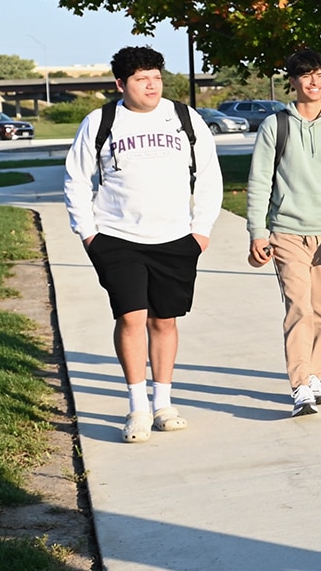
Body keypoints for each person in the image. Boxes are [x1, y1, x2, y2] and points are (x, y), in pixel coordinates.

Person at [63, 46, 224, 443]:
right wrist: (88, 233)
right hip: (117, 238)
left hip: (175, 238)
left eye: (156, 76)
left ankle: (163, 403)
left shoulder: (184, 118)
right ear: (121, 84)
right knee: (132, 317)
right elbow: (77, 179)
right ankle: (137, 408)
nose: (151, 85)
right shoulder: (101, 121)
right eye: (140, 78)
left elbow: (209, 176)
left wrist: (200, 231)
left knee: (163, 320)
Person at [244, 49, 321, 417]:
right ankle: (300, 384)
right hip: (286, 232)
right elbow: (259, 182)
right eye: (306, 75)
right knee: (298, 307)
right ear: (293, 81)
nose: (314, 82)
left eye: (320, 75)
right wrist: (257, 232)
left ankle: (314, 374)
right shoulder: (275, 126)